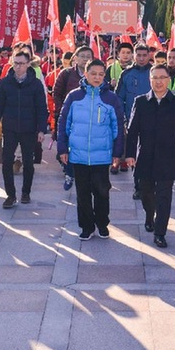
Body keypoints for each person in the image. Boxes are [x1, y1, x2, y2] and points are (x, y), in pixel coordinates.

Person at [57, 59, 124, 241]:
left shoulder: (111, 98)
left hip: (101, 155)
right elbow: (63, 123)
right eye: (93, 74)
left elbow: (118, 126)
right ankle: (86, 227)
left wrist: (117, 153)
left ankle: (102, 224)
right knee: (83, 194)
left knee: (102, 192)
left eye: (101, 74)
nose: (97, 77)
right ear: (85, 74)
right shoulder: (74, 97)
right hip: (78, 154)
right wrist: (62, 148)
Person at [126, 64, 175, 248]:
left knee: (164, 196)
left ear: (169, 80)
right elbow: (132, 131)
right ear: (150, 80)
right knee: (145, 192)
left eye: (162, 77)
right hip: (145, 155)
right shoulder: (141, 102)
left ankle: (160, 233)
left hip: (168, 156)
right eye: (155, 78)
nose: (159, 82)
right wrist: (129, 154)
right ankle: (149, 215)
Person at [0, 50, 48, 208]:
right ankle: (10, 195)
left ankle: (26, 192)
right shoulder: (5, 83)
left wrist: (41, 129)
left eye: (21, 63)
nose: (18, 67)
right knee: (6, 161)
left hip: (29, 129)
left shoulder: (35, 84)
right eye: (15, 63)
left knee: (28, 162)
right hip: (10, 128)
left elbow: (41, 108)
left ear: (28, 64)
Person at [53, 46, 93, 190]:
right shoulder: (66, 74)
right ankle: (69, 173)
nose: (85, 59)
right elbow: (56, 93)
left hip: (90, 118)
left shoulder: (95, 74)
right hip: (70, 117)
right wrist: (62, 109)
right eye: (82, 56)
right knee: (69, 146)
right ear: (75, 58)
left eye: (88, 56)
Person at [115, 43, 152, 189]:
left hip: (152, 119)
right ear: (134, 56)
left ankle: (149, 185)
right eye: (139, 55)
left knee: (150, 153)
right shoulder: (126, 74)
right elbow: (119, 98)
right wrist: (123, 119)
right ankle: (138, 186)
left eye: (144, 55)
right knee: (134, 154)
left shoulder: (155, 72)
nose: (141, 58)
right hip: (132, 120)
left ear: (149, 56)